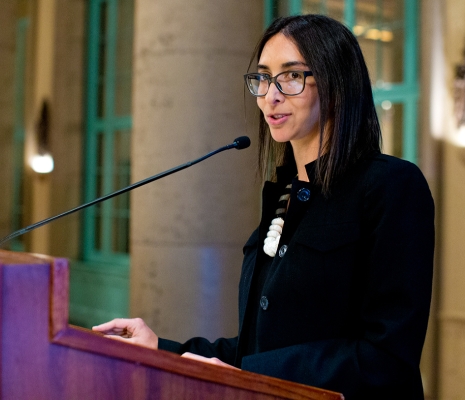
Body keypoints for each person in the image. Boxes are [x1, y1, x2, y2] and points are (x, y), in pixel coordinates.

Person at [93, 14, 435, 399]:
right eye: (263, 78)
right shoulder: (283, 197)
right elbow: (257, 348)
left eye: (291, 76)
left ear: (337, 85)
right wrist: (160, 348)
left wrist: (253, 374)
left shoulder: (390, 186)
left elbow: (386, 357)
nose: (270, 96)